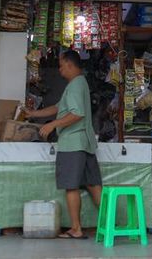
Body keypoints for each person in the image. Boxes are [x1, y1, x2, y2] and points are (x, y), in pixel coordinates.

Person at [25, 50, 102, 239]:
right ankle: (110, 223)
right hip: (85, 143)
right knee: (93, 184)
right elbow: (59, 107)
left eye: (60, 66)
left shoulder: (75, 85)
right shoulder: (79, 84)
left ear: (69, 64)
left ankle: (76, 228)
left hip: (72, 143)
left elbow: (77, 114)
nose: (59, 70)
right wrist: (33, 114)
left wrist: (52, 125)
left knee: (71, 186)